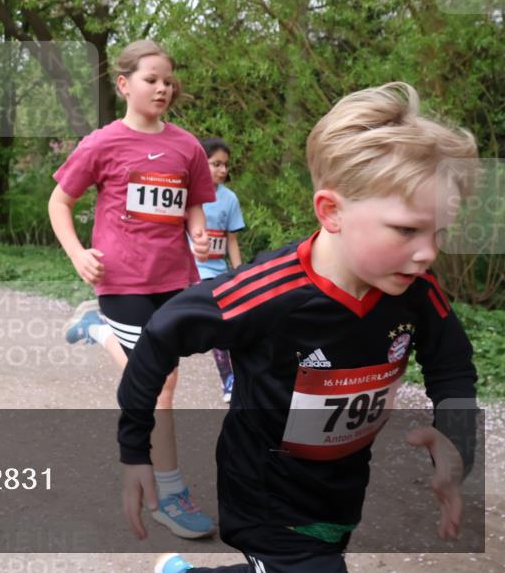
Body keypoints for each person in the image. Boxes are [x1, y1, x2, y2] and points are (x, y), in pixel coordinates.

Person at [120, 82, 479, 573]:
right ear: (331, 211)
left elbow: (452, 363)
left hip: (340, 491)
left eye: (439, 233)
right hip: (262, 489)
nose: (428, 253)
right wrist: (134, 450)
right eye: (407, 230)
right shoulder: (268, 292)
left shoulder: (415, 289)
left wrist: (456, 446)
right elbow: (162, 332)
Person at [48, 39, 217, 539]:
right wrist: (79, 254)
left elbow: (193, 202)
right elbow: (59, 202)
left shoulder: (187, 146)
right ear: (124, 84)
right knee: (159, 385)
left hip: (175, 279)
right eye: (151, 79)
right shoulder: (102, 143)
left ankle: (94, 330)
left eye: (168, 81)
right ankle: (171, 495)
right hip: (121, 279)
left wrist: (199, 231)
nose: (163, 88)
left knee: (160, 380)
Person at [195, 137, 246, 402]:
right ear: (201, 163)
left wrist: (240, 275)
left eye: (225, 165)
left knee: (223, 325)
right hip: (188, 273)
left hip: (216, 273)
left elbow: (231, 241)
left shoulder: (230, 199)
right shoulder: (188, 193)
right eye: (216, 164)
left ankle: (229, 379)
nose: (223, 170)